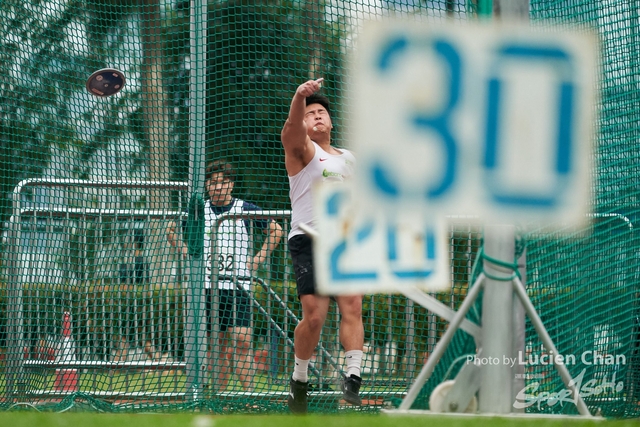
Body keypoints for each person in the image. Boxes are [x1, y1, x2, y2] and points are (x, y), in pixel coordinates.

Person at [281, 79, 364, 413]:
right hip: (308, 238)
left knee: (353, 305)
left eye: (321, 113)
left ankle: (352, 384)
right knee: (315, 317)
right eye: (310, 113)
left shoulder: (350, 158)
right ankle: (299, 381)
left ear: (330, 122)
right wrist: (299, 96)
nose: (316, 116)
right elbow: (289, 131)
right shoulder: (302, 151)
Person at [167, 160, 283, 391]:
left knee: (242, 340)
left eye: (222, 182)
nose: (217, 187)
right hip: (208, 286)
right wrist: (187, 254)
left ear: (231, 184)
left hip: (238, 286)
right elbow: (171, 229)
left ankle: (250, 395)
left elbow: (276, 230)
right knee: (215, 343)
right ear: (207, 186)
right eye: (212, 183)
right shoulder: (199, 210)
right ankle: (218, 396)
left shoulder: (245, 208)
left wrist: (258, 258)